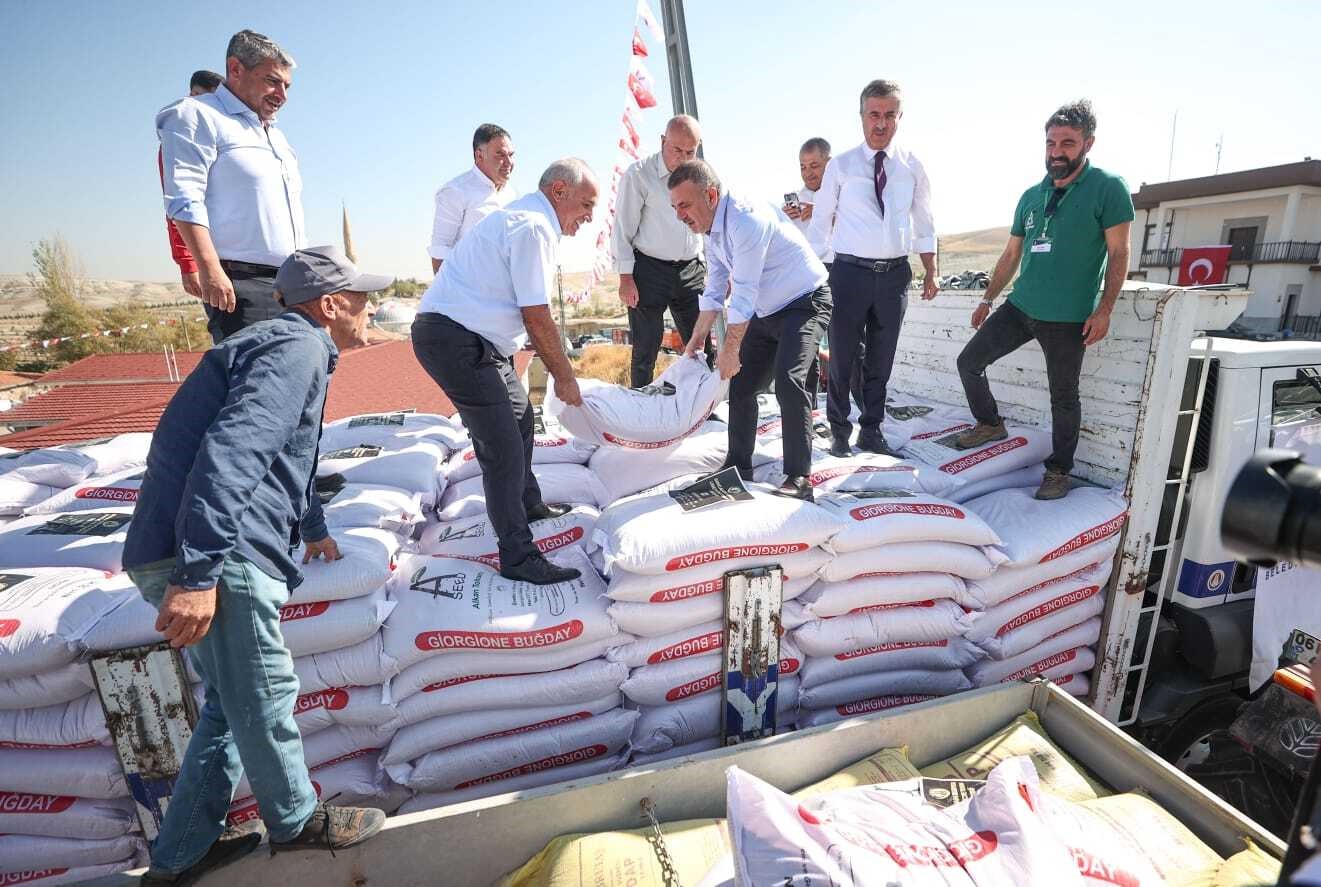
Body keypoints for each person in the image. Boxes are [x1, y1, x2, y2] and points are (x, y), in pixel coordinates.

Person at [123, 245, 394, 884]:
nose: (371, 307)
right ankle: (296, 820)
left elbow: (286, 455)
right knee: (267, 689)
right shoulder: (295, 349)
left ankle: (181, 853)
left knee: (228, 705)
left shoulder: (286, 345)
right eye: (362, 297)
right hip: (219, 554)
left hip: (184, 548)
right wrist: (198, 574)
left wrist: (314, 527)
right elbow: (235, 450)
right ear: (330, 306)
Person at [412, 159, 597, 584]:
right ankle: (517, 556)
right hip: (456, 341)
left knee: (521, 419)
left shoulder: (528, 219)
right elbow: (536, 314)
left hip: (476, 341)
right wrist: (564, 375)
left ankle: (529, 505)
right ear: (559, 191)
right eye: (585, 205)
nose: (588, 216)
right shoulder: (533, 226)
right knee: (503, 448)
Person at [954, 100, 1133, 500]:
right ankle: (990, 423)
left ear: (1088, 143)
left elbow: (1119, 253)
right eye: (1051, 142)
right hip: (1021, 308)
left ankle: (1058, 471)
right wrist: (987, 298)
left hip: (1069, 318)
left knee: (1064, 398)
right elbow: (1011, 254)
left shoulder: (1108, 187)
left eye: (1067, 143)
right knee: (969, 362)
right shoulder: (1032, 195)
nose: (1056, 151)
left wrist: (1105, 310)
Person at [671, 159, 832, 501]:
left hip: (805, 301)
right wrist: (696, 341)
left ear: (711, 195)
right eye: (675, 207)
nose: (679, 215)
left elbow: (742, 293)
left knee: (790, 379)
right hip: (766, 309)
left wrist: (729, 351)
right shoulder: (712, 231)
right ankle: (739, 463)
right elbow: (714, 288)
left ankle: (799, 477)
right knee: (741, 385)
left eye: (684, 205)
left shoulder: (745, 218)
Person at [809, 79, 938, 458]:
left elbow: (925, 221)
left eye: (889, 115)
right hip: (848, 274)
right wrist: (817, 276)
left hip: (895, 276)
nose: (880, 124)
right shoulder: (842, 167)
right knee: (843, 358)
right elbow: (820, 225)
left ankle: (872, 430)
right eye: (873, 115)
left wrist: (930, 269)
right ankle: (838, 430)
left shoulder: (912, 166)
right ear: (862, 116)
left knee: (881, 359)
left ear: (900, 117)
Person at [158, 30, 305, 344]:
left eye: (287, 86)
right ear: (235, 69)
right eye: (272, 81)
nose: (283, 95)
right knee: (258, 383)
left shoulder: (275, 136)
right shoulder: (197, 115)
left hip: (292, 284)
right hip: (244, 286)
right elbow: (185, 198)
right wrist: (207, 268)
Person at [613, 115, 713, 388]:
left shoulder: (703, 176)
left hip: (692, 268)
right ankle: (639, 409)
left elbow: (712, 224)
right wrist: (625, 278)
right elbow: (622, 229)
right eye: (676, 150)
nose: (682, 158)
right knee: (646, 348)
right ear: (662, 142)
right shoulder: (638, 175)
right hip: (649, 270)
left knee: (702, 345)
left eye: (690, 152)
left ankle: (703, 406)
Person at [158, 70, 221, 300]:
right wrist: (188, 264)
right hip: (212, 260)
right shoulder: (179, 141)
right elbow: (180, 205)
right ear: (192, 95)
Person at [427, 123, 518, 274]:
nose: (509, 162)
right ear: (479, 155)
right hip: (468, 294)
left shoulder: (512, 194)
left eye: (511, 155)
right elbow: (439, 254)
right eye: (500, 155)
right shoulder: (455, 192)